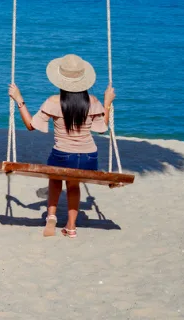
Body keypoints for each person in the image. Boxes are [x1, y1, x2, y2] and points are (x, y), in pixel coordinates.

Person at [8, 53, 115, 238]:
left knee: (55, 177)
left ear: (60, 79)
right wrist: (107, 103)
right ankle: (71, 227)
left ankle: (51, 216)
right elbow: (102, 128)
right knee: (73, 185)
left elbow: (31, 125)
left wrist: (19, 99)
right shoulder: (94, 102)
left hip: (62, 155)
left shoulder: (53, 102)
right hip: (89, 157)